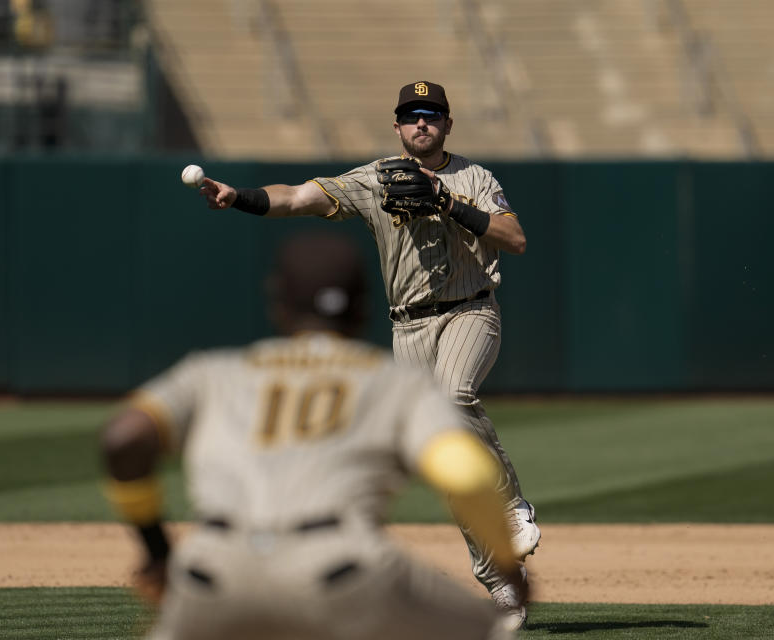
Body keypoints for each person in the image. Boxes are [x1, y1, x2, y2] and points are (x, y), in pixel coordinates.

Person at [196, 80, 539, 629]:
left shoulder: (475, 178)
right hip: (408, 328)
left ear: (448, 123)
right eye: (411, 115)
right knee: (439, 456)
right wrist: (238, 197)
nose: (421, 123)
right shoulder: (377, 179)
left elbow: (514, 239)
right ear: (397, 126)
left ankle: (513, 507)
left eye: (431, 114)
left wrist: (447, 202)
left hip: (469, 309)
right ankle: (500, 582)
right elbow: (300, 197)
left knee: (453, 397)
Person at [101, 232, 527, 640]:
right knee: (481, 628)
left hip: (209, 571)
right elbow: (466, 473)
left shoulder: (210, 373)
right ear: (363, 308)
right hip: (340, 569)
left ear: (278, 305)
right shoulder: (396, 383)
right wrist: (508, 570)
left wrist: (158, 553)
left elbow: (123, 439)